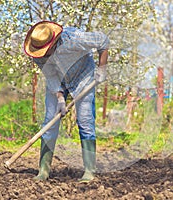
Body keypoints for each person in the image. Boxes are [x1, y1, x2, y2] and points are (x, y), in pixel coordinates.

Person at [23, 21, 109, 182]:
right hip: (59, 81)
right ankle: (43, 171)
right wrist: (60, 97)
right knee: (50, 121)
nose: (43, 54)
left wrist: (102, 68)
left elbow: (103, 40)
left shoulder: (74, 39)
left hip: (83, 76)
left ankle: (89, 171)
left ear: (54, 42)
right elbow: (50, 75)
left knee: (85, 120)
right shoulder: (37, 52)